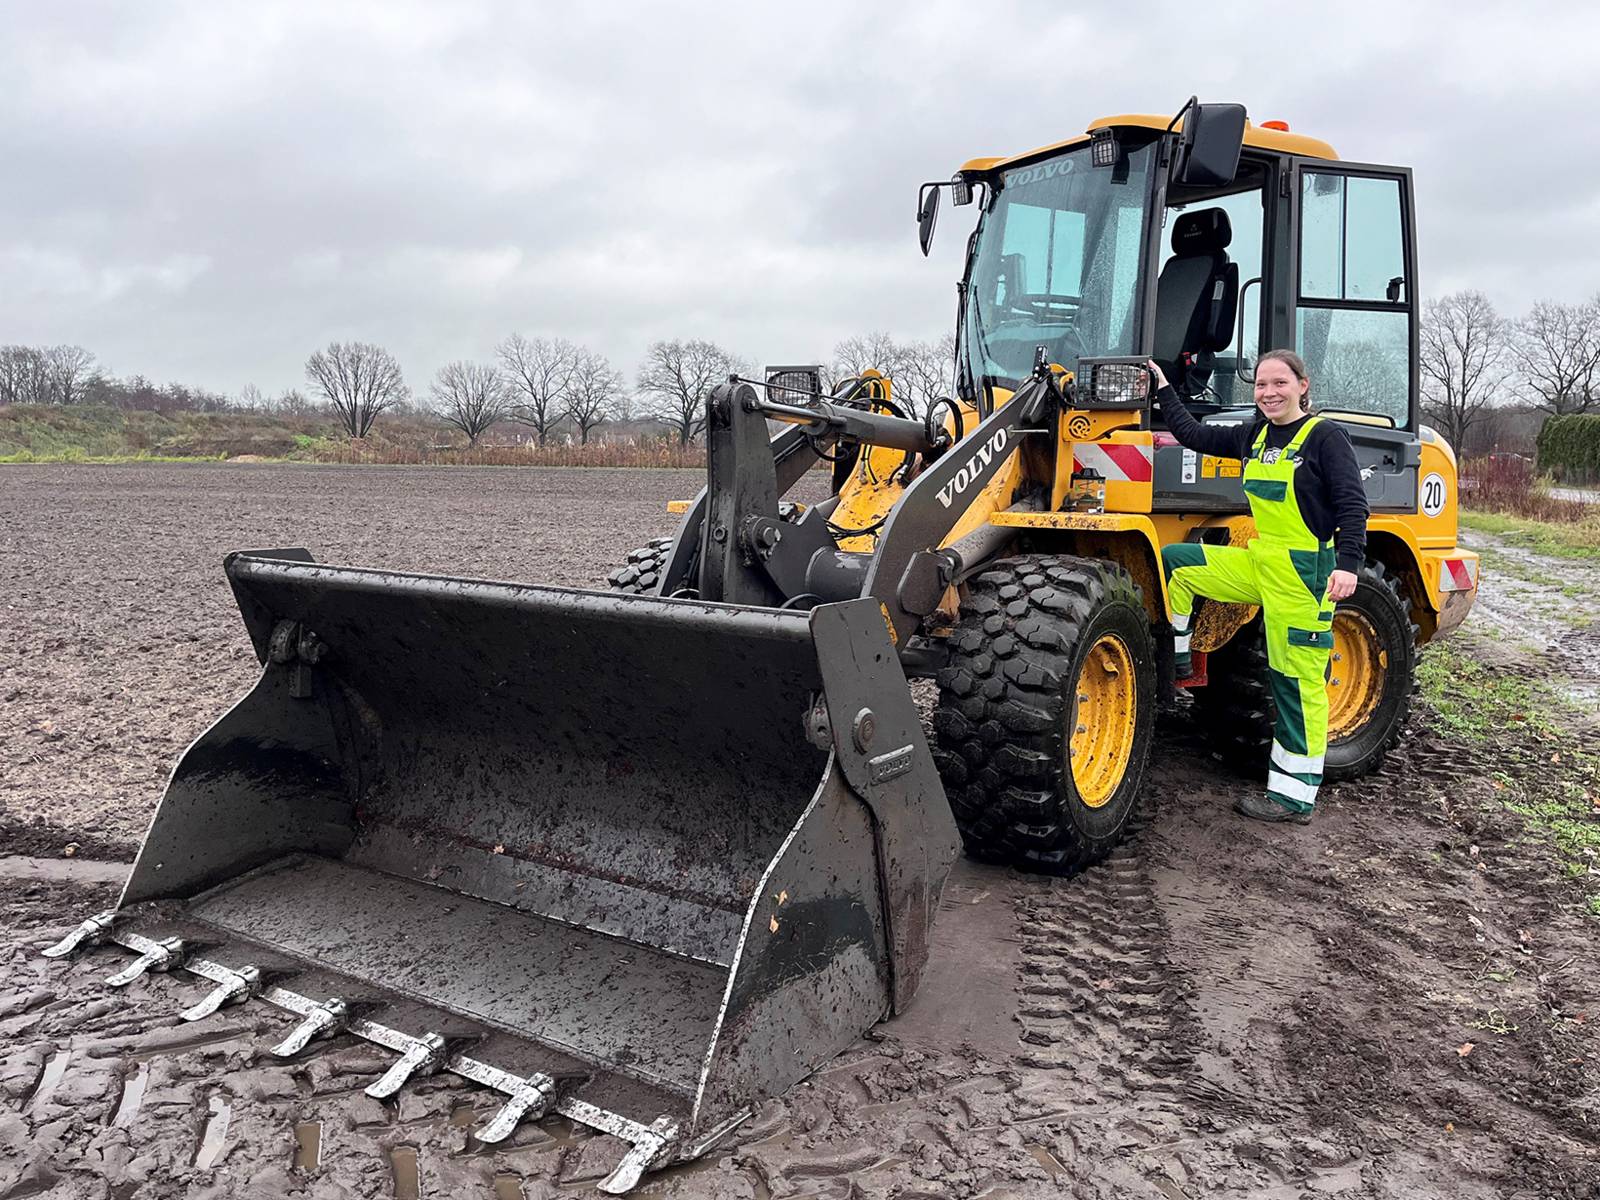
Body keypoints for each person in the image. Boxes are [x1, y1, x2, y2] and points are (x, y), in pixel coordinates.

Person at [1150, 350, 1369, 825]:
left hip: (1305, 575)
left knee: (1295, 684)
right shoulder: (1256, 435)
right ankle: (1180, 658)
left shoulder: (1325, 437)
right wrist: (1164, 388)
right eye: (1261, 385)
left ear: (1302, 386)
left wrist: (1349, 564)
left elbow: (1353, 505)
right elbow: (1193, 435)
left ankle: (1293, 798)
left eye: (1279, 383)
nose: (1269, 393)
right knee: (1177, 564)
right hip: (1261, 561)